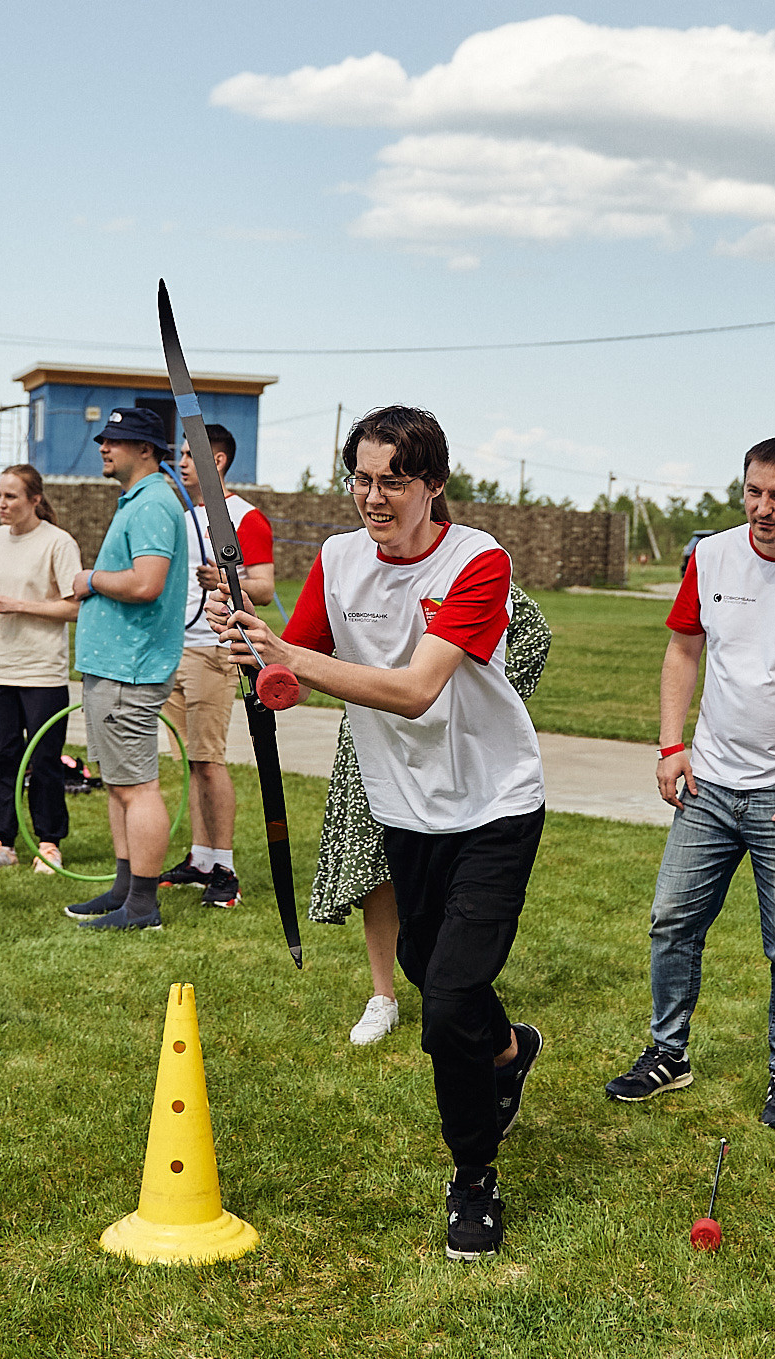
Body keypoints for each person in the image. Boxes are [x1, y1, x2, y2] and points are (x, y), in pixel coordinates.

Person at [220, 406, 546, 1262]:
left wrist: (286, 653)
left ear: (433, 484)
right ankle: (510, 1052)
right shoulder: (336, 559)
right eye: (360, 478)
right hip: (405, 812)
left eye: (392, 479)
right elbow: (296, 663)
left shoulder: (478, 560)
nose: (372, 496)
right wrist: (256, 655)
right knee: (427, 972)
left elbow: (414, 690)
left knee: (445, 1005)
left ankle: (473, 1175)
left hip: (494, 807)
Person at [604, 436, 775, 1132]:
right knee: (672, 920)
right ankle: (668, 1053)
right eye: (753, 491)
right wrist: (672, 744)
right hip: (711, 785)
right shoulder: (712, 555)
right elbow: (683, 649)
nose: (763, 507)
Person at [312, 581, 551, 1046]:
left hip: (448, 745)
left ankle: (453, 985)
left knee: (449, 873)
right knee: (373, 868)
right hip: (375, 738)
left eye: (396, 499)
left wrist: (479, 703)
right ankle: (384, 996)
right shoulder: (350, 570)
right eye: (363, 500)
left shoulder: (465, 566)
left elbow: (532, 634)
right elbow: (302, 651)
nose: (378, 504)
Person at [58, 407, 188, 933]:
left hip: (130, 667)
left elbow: (145, 583)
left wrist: (91, 579)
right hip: (114, 665)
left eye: (116, 440)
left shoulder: (154, 502)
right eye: (104, 440)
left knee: (137, 787)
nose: (104, 448)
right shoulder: (141, 499)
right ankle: (124, 888)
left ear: (146, 449)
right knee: (118, 784)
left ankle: (143, 906)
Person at [155, 422, 274, 910]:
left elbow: (264, 588)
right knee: (190, 761)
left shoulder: (245, 518)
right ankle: (200, 859)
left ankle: (224, 869)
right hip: (176, 650)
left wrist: (227, 580)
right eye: (181, 453)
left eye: (190, 454)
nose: (181, 461)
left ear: (216, 461)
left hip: (214, 649)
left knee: (209, 759)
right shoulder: (186, 516)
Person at [0, 464, 81, 874]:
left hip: (42, 671)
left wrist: (21, 605)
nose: (1, 504)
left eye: (10, 496)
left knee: (44, 760)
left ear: (35, 500)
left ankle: (48, 843)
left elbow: (74, 607)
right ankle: (0, 842)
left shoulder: (59, 543)